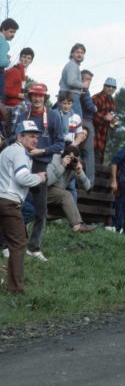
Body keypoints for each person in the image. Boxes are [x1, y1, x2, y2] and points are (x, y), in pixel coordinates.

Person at [16, 83, 64, 261]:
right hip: (22, 163)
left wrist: (42, 151)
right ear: (29, 97)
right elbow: (14, 137)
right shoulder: (23, 116)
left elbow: (60, 144)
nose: (37, 99)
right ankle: (12, 243)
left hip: (40, 166)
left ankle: (34, 248)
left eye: (40, 96)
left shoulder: (53, 116)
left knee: (40, 209)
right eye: (34, 95)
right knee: (17, 205)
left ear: (45, 98)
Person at [0, 120, 47, 294]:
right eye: (31, 136)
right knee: (18, 245)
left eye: (37, 137)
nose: (35, 140)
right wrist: (38, 178)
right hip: (9, 202)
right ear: (20, 137)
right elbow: (22, 177)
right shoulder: (20, 152)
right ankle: (16, 290)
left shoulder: (6, 151)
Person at [46, 145, 97, 233]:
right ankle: (77, 226)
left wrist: (80, 172)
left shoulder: (73, 166)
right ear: (64, 156)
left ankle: (46, 215)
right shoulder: (54, 160)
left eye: (75, 159)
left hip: (56, 195)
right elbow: (47, 182)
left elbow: (87, 187)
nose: (73, 161)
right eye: (71, 158)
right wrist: (62, 166)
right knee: (66, 195)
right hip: (43, 191)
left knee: (68, 198)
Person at [92, 77, 119, 164]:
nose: (111, 88)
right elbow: (90, 115)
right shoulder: (95, 98)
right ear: (104, 86)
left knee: (100, 163)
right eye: (108, 86)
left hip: (105, 139)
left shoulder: (113, 102)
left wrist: (114, 122)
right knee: (93, 163)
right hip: (94, 136)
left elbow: (112, 122)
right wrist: (103, 118)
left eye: (113, 87)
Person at [79, 69, 98, 183]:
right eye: (86, 79)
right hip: (85, 122)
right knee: (89, 152)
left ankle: (84, 180)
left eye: (90, 79)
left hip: (80, 121)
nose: (88, 81)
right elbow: (91, 107)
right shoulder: (84, 90)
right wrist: (95, 107)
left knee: (80, 150)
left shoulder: (79, 90)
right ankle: (89, 181)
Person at [58, 43, 87, 118]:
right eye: (77, 52)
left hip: (67, 95)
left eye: (82, 53)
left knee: (67, 120)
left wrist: (78, 91)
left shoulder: (71, 65)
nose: (80, 55)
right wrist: (83, 85)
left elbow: (61, 83)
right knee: (77, 120)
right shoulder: (72, 65)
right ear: (72, 54)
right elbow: (71, 82)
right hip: (70, 97)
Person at [0, 18, 19, 103]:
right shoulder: (4, 43)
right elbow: (1, 62)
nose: (13, 35)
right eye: (11, 32)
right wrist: (7, 60)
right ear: (3, 29)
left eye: (14, 32)